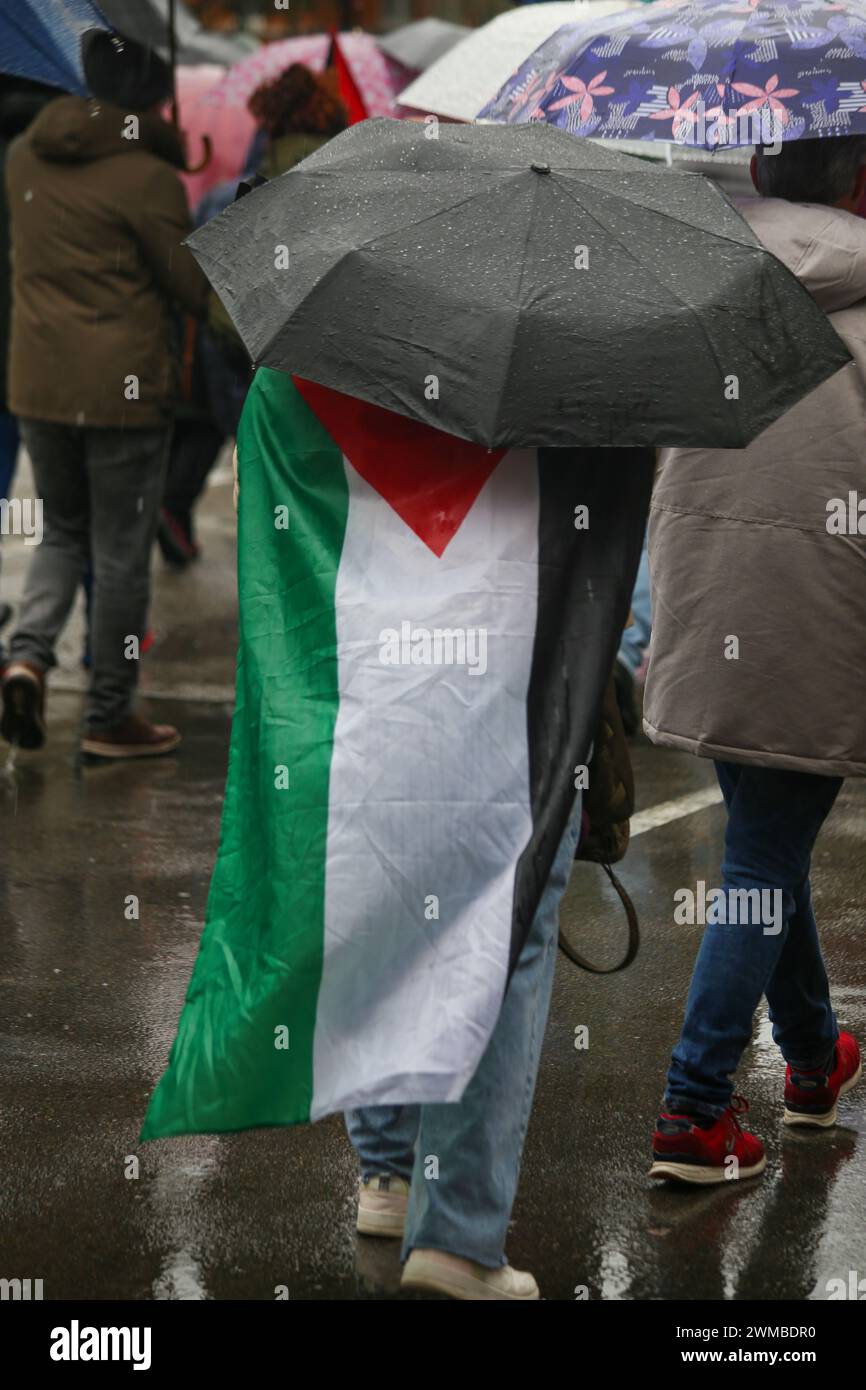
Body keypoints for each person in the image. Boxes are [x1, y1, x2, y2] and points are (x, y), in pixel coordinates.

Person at [643, 136, 866, 1184]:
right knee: (760, 859)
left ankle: (816, 1061)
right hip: (820, 616)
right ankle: (691, 1107)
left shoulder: (699, 292)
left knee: (762, 846)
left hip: (707, 605)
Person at [0, 30, 207, 758]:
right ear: (144, 102)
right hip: (123, 394)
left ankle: (25, 657)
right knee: (120, 553)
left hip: (39, 383)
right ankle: (110, 714)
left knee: (61, 531)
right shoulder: (146, 179)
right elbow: (193, 287)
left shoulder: (23, 156)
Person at [157, 64, 348, 567]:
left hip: (234, 360)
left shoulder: (227, 198)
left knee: (258, 488)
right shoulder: (348, 195)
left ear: (268, 125)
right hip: (314, 368)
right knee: (307, 496)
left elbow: (197, 283)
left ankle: (263, 600)